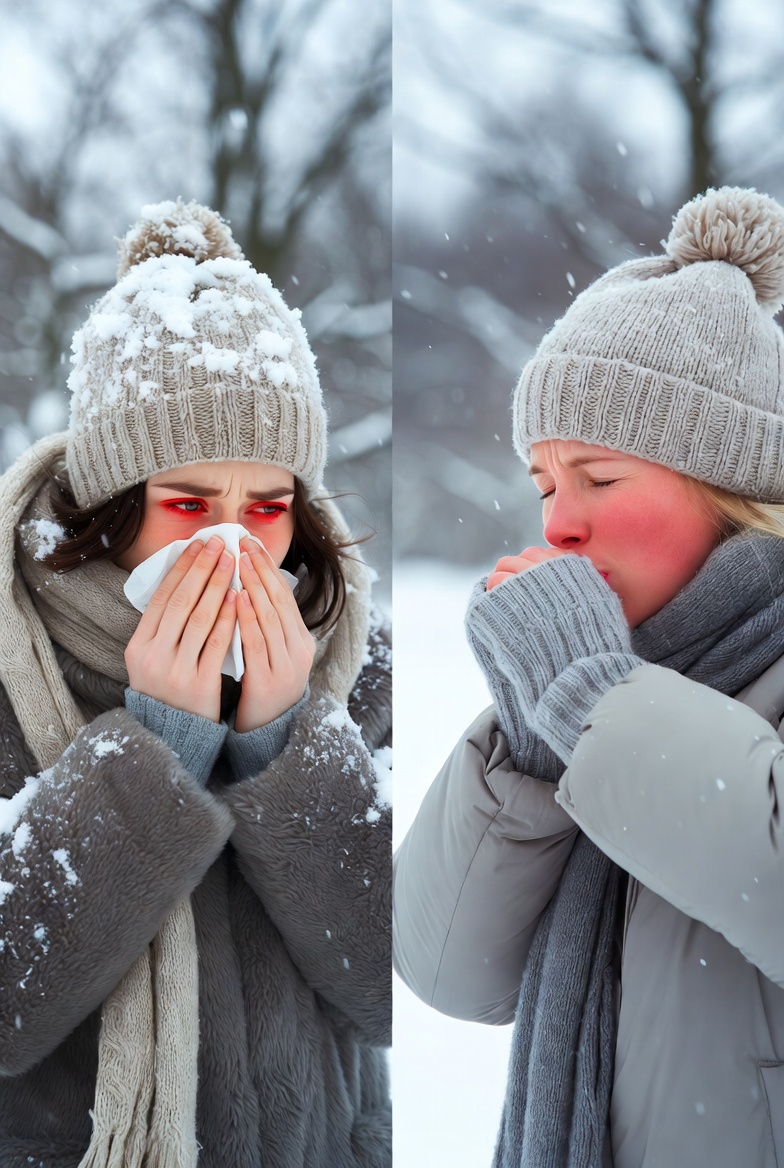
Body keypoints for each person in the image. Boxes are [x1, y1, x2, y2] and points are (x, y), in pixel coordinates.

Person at [393, 186, 784, 1168]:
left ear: (730, 483)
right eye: (544, 486)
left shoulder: (614, 697)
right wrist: (534, 736)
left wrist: (593, 699)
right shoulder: (606, 693)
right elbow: (449, 970)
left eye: (599, 479)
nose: (557, 524)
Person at [0, 199, 391, 1168]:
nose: (235, 544)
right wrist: (153, 754)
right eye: (187, 503)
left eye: (267, 504)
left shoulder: (354, 659)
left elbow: (390, 983)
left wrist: (284, 744)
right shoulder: (15, 659)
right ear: (108, 505)